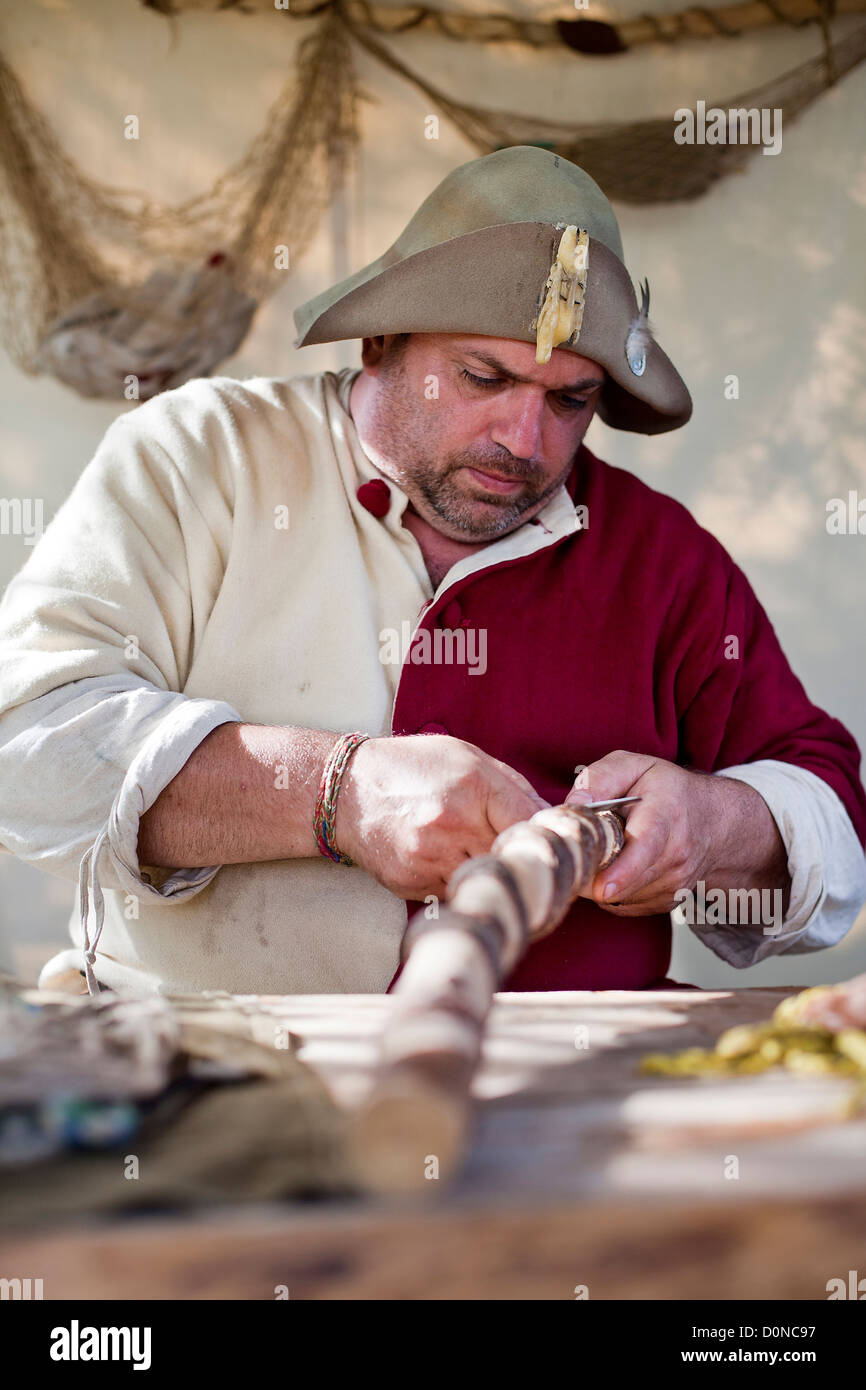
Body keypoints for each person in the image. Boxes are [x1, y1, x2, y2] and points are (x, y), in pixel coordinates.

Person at [0, 146, 863, 998]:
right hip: (206, 1068)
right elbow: (25, 744)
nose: (526, 442)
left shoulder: (662, 557)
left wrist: (715, 828)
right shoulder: (200, 458)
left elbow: (831, 810)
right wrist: (336, 794)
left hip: (567, 1096)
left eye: (571, 400)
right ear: (382, 340)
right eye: (484, 376)